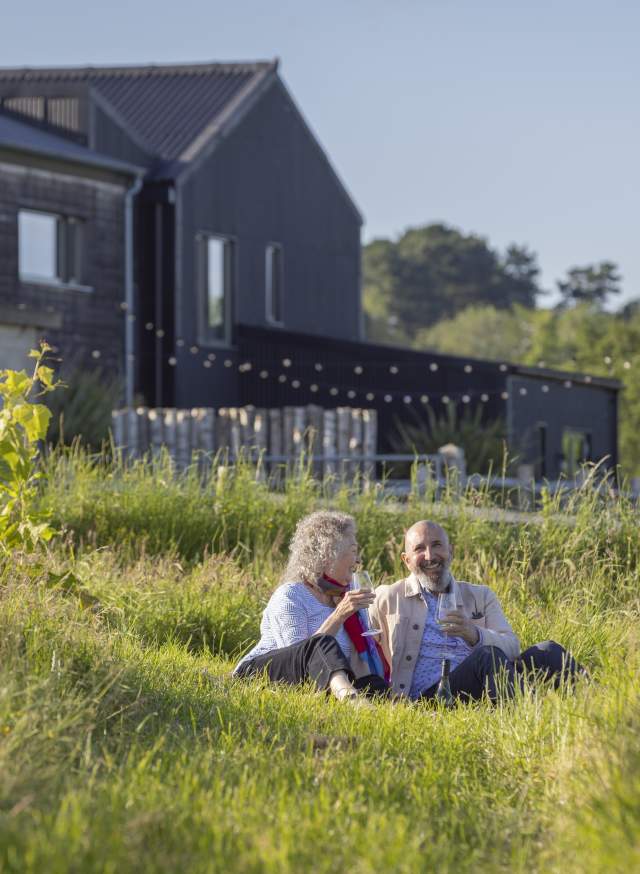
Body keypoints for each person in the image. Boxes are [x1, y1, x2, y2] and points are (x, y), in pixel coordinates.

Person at [369, 519, 585, 702]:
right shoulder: (388, 597)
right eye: (419, 549)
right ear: (406, 561)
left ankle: (597, 709)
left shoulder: (480, 595)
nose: (430, 555)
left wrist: (474, 634)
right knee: (486, 657)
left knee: (548, 650)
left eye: (437, 545)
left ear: (450, 551)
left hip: (487, 678)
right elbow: (358, 642)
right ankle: (529, 720)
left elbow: (512, 646)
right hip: (433, 696)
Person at [234, 510, 390, 704]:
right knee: (321, 643)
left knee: (373, 683)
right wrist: (338, 616)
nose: (358, 559)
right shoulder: (291, 595)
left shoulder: (343, 600)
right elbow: (299, 657)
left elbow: (350, 666)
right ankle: (351, 700)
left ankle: (410, 711)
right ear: (327, 556)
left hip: (324, 684)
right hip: (257, 675)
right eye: (352, 549)